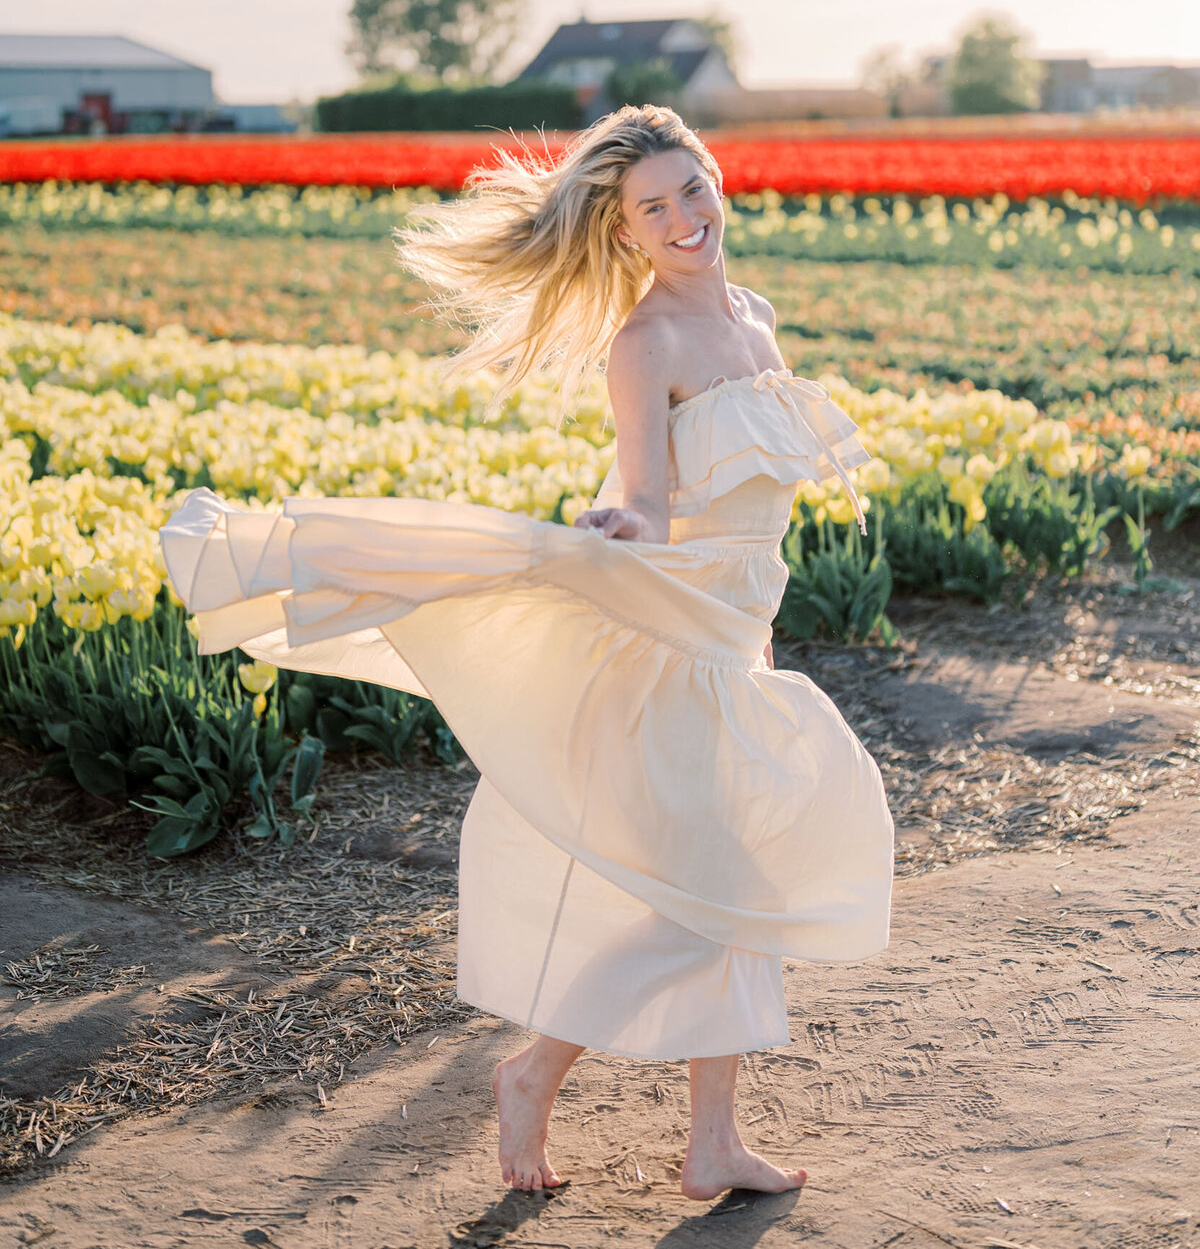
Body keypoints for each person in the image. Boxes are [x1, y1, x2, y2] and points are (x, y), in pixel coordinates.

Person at [160, 105, 894, 1202]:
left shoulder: (756, 320)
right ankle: (540, 1076)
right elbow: (646, 493)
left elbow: (753, 504)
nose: (684, 217)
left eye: (692, 188)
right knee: (712, 887)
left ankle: (701, 1140)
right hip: (668, 646)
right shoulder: (645, 344)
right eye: (655, 207)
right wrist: (627, 529)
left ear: (716, 180)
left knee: (718, 886)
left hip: (738, 638)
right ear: (626, 233)